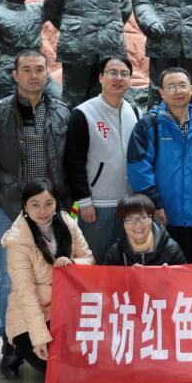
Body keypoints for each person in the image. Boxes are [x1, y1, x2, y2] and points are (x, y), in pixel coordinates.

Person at [0, 48, 70, 378]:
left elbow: (69, 160)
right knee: (11, 281)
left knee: (54, 275)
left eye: (39, 69)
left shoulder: (61, 112)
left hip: (52, 209)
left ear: (47, 73)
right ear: (15, 75)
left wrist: (64, 202)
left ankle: (48, 338)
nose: (34, 75)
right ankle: (11, 343)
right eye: (26, 69)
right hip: (13, 208)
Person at [1, 180, 93, 377]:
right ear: (25, 206)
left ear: (56, 203)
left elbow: (88, 259)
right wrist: (39, 338)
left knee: (87, 365)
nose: (42, 211)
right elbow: (26, 294)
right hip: (29, 316)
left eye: (48, 203)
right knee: (57, 373)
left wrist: (72, 263)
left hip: (65, 308)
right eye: (35, 204)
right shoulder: (17, 239)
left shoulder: (67, 222)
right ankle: (15, 345)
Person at [127, 67, 192, 263]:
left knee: (189, 267)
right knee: (160, 270)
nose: (178, 91)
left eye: (182, 85)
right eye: (171, 86)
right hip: (162, 214)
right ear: (161, 92)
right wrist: (155, 205)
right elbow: (139, 169)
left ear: (191, 89)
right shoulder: (149, 125)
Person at [64, 56, 140, 262]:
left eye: (124, 74)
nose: (118, 78)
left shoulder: (134, 111)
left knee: (124, 263)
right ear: (100, 77)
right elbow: (74, 160)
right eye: (112, 73)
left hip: (128, 204)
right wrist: (84, 200)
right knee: (93, 261)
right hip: (96, 206)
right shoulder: (84, 113)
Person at [102, 194, 186, 266]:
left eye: (143, 217)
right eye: (130, 219)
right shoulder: (115, 253)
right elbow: (107, 280)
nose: (138, 225)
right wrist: (129, 276)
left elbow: (183, 278)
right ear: (123, 223)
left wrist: (169, 275)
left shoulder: (171, 249)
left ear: (152, 219)